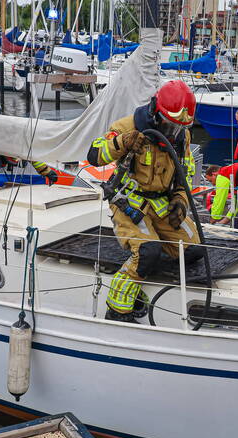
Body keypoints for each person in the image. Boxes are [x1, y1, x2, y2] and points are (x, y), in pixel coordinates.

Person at [87, 80, 204, 323]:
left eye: (177, 127)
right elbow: (95, 155)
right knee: (148, 252)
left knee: (193, 250)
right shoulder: (128, 126)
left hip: (161, 203)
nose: (172, 132)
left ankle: (152, 243)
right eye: (169, 125)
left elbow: (187, 173)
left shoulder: (182, 136)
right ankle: (117, 308)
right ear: (155, 113)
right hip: (130, 202)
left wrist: (181, 200)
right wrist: (122, 143)